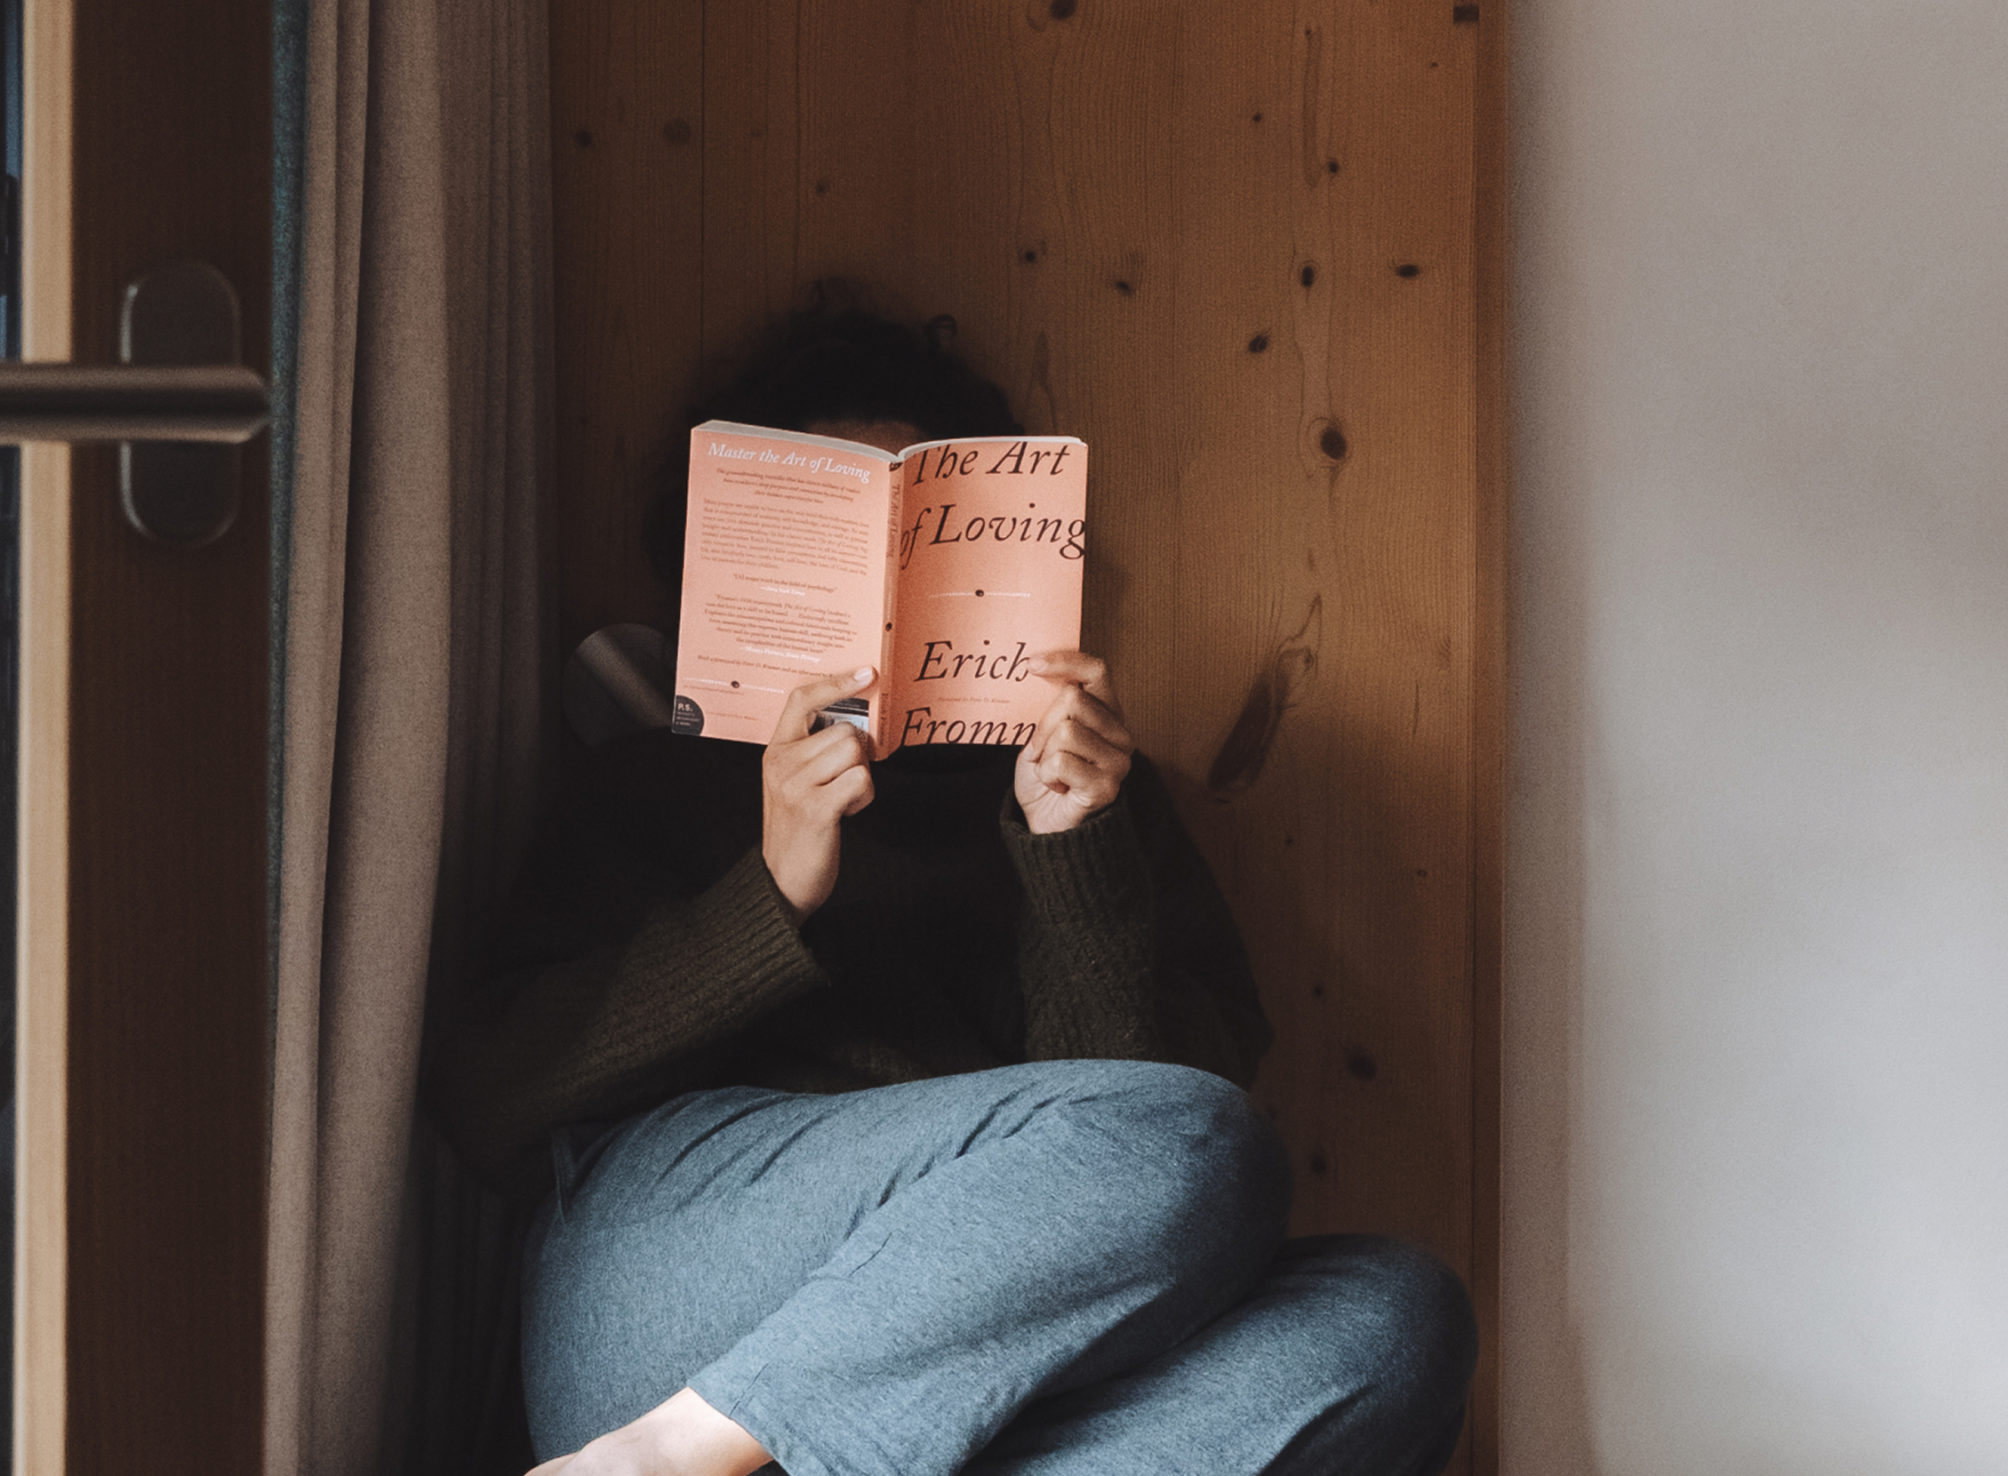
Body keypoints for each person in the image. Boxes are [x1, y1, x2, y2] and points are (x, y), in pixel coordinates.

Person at [422, 291, 1477, 1476]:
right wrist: (771, 888)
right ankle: (667, 1453)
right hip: (664, 1292)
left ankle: (763, 1450)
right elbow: (488, 1097)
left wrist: (1072, 847)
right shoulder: (652, 781)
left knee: (1393, 1311)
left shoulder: (1091, 792)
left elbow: (1155, 1169)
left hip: (978, 1331)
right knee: (1194, 1137)